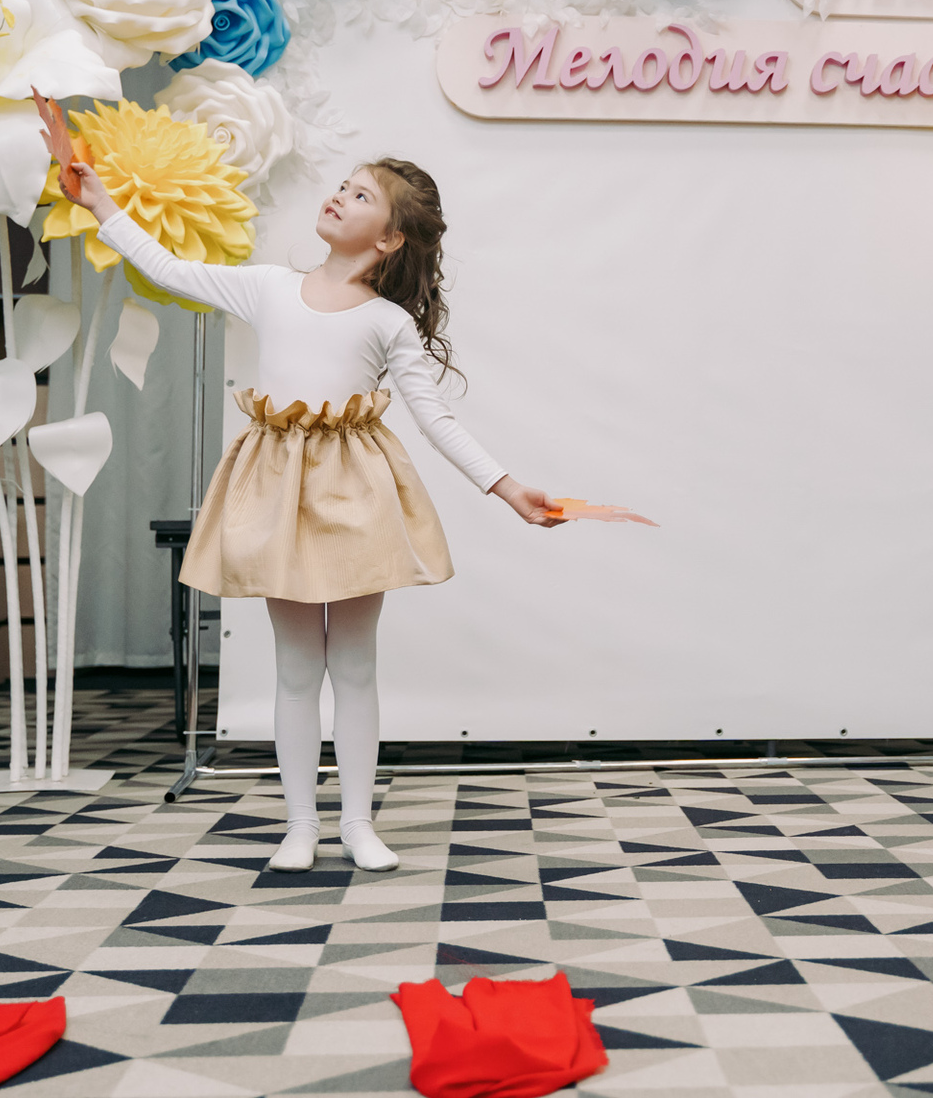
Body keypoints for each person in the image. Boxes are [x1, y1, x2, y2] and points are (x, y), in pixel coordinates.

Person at [63, 157, 561, 872]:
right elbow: (171, 270)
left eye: (361, 195)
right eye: (343, 186)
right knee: (296, 668)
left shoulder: (387, 321)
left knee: (354, 666)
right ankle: (300, 825)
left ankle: (357, 823)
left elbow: (435, 419)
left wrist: (507, 488)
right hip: (279, 490)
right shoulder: (269, 287)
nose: (339, 196)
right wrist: (102, 204)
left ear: (388, 239)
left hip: (357, 494)